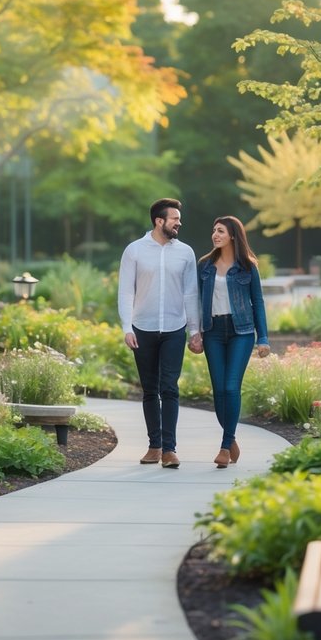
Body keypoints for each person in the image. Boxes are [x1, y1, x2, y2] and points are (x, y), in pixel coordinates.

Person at [117, 198, 202, 468]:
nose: (179, 222)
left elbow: (191, 293)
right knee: (150, 390)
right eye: (175, 218)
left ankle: (170, 449)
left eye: (179, 218)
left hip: (175, 328)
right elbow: (125, 291)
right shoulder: (134, 251)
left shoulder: (186, 252)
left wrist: (195, 330)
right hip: (143, 328)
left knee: (170, 388)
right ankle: (154, 446)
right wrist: (126, 327)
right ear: (159, 221)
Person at [197, 216, 270, 469]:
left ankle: (225, 446)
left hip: (241, 331)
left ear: (232, 236)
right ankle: (232, 438)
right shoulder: (205, 265)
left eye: (220, 231)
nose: (215, 235)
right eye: (213, 230)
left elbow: (258, 303)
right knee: (218, 392)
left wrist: (263, 338)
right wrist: (194, 333)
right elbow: (197, 301)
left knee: (230, 388)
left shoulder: (248, 267)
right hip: (213, 331)